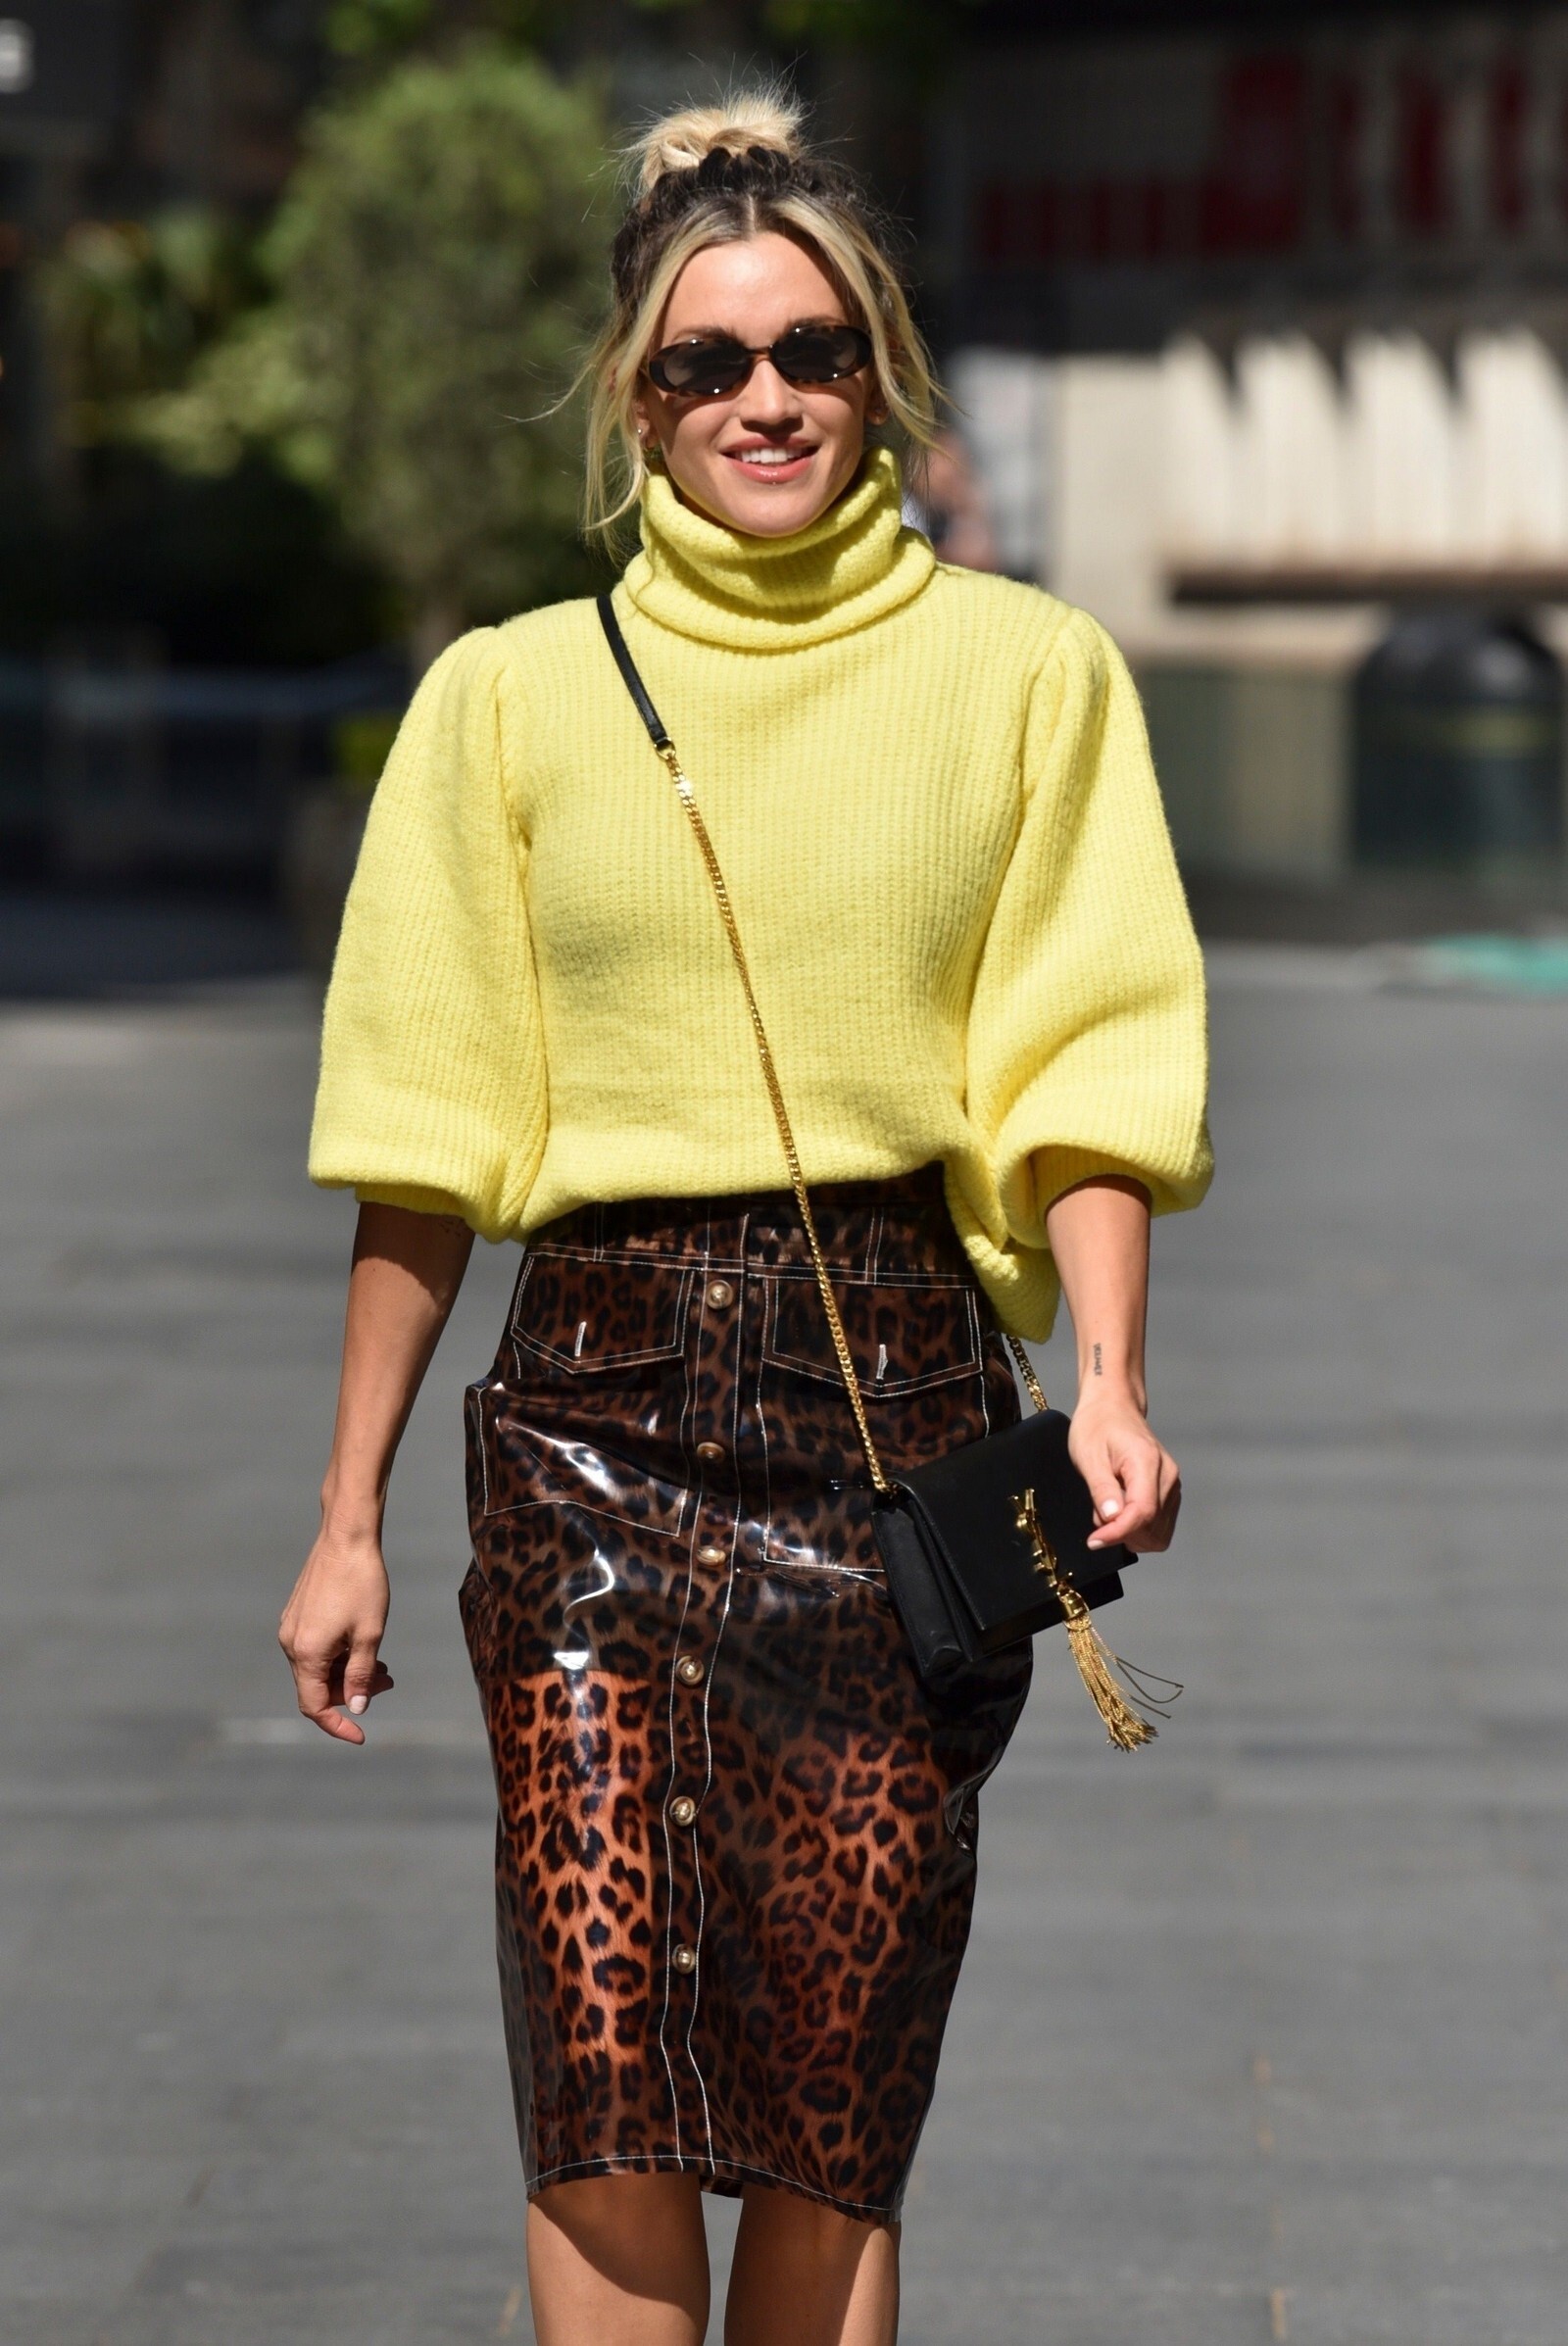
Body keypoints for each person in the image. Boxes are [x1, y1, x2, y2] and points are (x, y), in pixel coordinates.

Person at [281, 90, 1211, 2346]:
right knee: (599, 2065)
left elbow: (1080, 1065)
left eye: (811, 350)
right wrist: (346, 1516)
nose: (764, 397)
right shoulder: (504, 702)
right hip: (587, 1441)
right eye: (706, 363)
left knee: (827, 2097)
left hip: (895, 1430)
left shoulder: (1025, 676)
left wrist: (1105, 1381)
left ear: (877, 374)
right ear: (637, 402)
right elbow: (425, 1129)